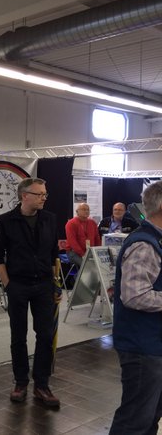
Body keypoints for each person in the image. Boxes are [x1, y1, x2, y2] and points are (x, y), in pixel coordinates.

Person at [0, 177, 60, 407]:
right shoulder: (6, 221)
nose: (43, 198)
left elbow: (53, 254)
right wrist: (8, 285)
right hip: (18, 285)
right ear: (24, 196)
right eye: (39, 194)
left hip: (44, 285)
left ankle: (42, 384)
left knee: (46, 335)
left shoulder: (49, 219)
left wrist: (54, 283)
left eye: (45, 194)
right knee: (18, 336)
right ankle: (21, 382)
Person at [109, 180, 162, 434]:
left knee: (150, 415)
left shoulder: (155, 241)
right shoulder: (144, 245)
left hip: (152, 342)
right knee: (135, 420)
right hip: (142, 346)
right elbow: (134, 296)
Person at [65, 202, 101, 268]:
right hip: (74, 252)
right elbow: (72, 242)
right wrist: (83, 254)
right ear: (77, 211)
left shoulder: (93, 223)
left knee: (100, 265)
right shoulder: (71, 223)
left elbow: (97, 239)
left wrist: (97, 252)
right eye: (84, 209)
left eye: (88, 210)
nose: (86, 211)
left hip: (90, 252)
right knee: (88, 266)